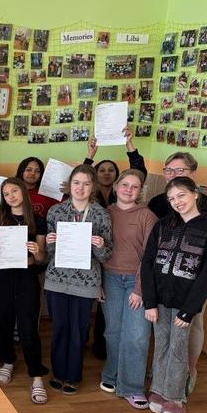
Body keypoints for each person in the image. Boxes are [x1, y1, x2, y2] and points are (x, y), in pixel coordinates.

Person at [141, 177, 207, 413]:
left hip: (185, 303)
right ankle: (158, 390)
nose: (177, 202)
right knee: (161, 344)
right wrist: (150, 302)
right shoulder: (163, 225)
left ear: (195, 194)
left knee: (178, 348)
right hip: (159, 299)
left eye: (181, 195)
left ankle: (175, 397)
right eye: (171, 199)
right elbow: (148, 263)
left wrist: (189, 310)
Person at [147, 152, 207, 393]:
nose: (172, 174)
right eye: (168, 170)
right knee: (164, 335)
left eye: (179, 170)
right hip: (163, 284)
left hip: (192, 286)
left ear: (193, 175)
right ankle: (162, 377)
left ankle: (187, 374)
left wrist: (191, 265)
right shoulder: (158, 203)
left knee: (189, 331)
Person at [45, 165, 113, 395]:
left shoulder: (101, 214)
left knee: (79, 330)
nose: (80, 188)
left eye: (86, 183)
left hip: (86, 282)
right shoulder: (55, 211)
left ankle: (73, 376)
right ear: (69, 184)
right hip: (57, 279)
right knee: (59, 328)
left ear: (93, 187)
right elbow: (50, 253)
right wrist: (50, 242)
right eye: (76, 182)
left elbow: (106, 256)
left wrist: (101, 246)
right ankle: (58, 373)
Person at [82, 127, 147, 360]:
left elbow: (138, 172)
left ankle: (110, 352)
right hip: (100, 259)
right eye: (102, 170)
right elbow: (81, 177)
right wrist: (90, 155)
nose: (107, 173)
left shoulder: (126, 197)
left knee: (116, 315)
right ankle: (101, 347)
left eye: (111, 170)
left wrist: (129, 144)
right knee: (105, 311)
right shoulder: (91, 197)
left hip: (126, 265)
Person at [0, 178, 49, 404]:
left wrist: (36, 251)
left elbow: (42, 258)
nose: (11, 196)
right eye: (6, 194)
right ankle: (8, 360)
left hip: (26, 278)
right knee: (2, 323)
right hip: (1, 277)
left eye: (14, 191)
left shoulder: (37, 220)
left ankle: (36, 376)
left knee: (28, 327)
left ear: (23, 191)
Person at [99, 170, 157, 410]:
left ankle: (132, 387)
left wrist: (140, 289)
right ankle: (111, 375)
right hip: (109, 278)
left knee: (137, 335)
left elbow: (151, 256)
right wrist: (98, 283)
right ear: (115, 186)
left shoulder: (147, 216)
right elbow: (94, 251)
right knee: (113, 332)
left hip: (136, 281)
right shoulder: (104, 213)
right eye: (124, 184)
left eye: (135, 186)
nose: (129, 190)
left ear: (140, 191)